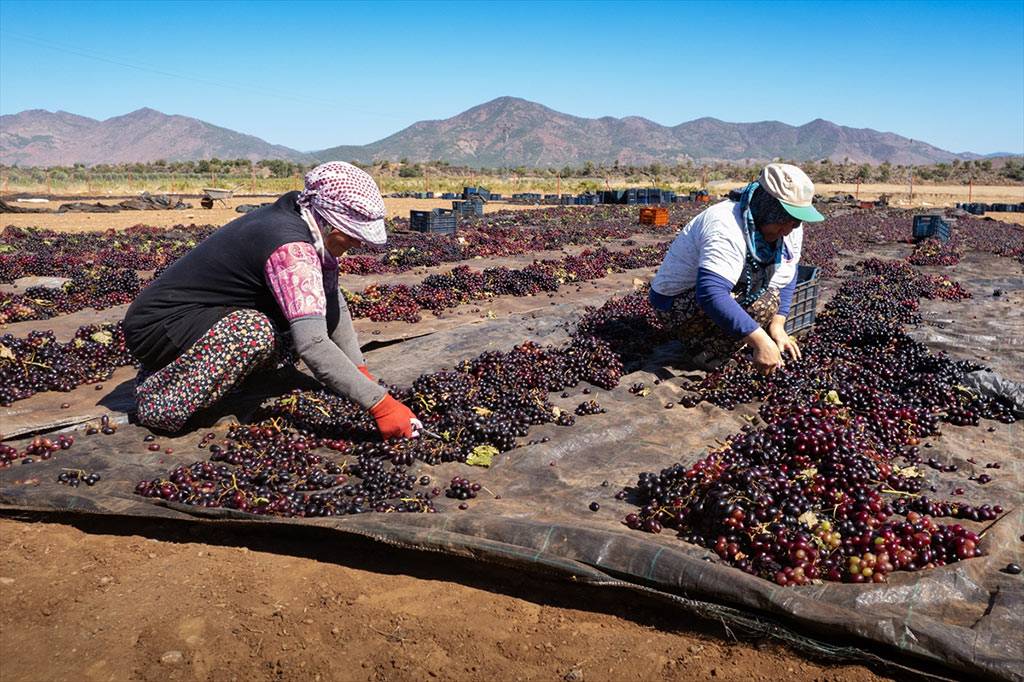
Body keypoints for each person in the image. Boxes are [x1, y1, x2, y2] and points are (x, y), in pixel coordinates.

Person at [124, 161, 420, 437]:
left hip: (205, 318)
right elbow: (313, 344)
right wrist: (380, 405)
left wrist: (359, 370)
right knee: (255, 334)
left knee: (299, 319)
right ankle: (161, 403)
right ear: (329, 222)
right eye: (353, 234)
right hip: (159, 327)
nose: (358, 243)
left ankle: (206, 374)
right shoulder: (291, 246)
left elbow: (330, 300)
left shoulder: (307, 220)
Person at [649, 163, 825, 374]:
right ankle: (706, 351)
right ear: (767, 208)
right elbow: (711, 293)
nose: (788, 230)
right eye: (784, 220)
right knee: (762, 306)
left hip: (725, 290)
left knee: (769, 302)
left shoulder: (790, 227)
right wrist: (761, 341)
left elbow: (788, 272)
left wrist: (778, 326)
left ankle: (728, 338)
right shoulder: (725, 224)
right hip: (675, 303)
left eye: (795, 222)